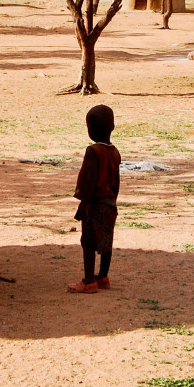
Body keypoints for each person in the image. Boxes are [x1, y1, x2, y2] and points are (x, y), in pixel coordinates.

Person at [68, 104, 121, 294]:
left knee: (88, 241)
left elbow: (89, 180)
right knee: (106, 241)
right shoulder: (115, 152)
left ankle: (89, 281)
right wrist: (113, 200)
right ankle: (103, 277)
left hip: (94, 203)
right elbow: (116, 181)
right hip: (109, 203)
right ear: (112, 127)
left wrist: (85, 203)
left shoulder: (93, 152)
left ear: (90, 129)